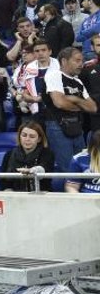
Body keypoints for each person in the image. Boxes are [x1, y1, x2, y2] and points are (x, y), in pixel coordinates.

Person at [42, 46, 96, 191]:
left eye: (82, 60)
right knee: (67, 169)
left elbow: (93, 108)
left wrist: (74, 99)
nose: (81, 64)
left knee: (82, 166)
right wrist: (79, 104)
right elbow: (59, 103)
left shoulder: (78, 82)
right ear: (64, 61)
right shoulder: (54, 75)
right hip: (57, 126)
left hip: (77, 127)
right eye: (77, 60)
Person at [0, 121, 55, 192]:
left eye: (32, 136)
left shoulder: (47, 153)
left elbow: (44, 170)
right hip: (15, 195)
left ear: (39, 139)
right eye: (24, 135)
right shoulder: (9, 154)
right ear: (19, 136)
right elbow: (4, 182)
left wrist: (31, 171)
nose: (27, 139)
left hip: (41, 194)